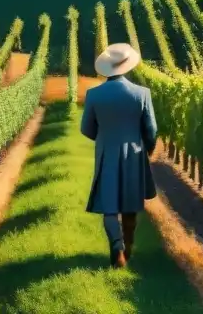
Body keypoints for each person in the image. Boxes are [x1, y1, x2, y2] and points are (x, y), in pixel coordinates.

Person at [80, 43, 158, 268]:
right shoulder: (142, 94)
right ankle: (130, 246)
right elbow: (151, 130)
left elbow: (86, 128)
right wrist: (147, 149)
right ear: (127, 66)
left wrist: (104, 138)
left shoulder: (94, 95)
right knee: (130, 204)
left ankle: (117, 246)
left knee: (109, 206)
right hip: (134, 154)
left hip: (106, 153)